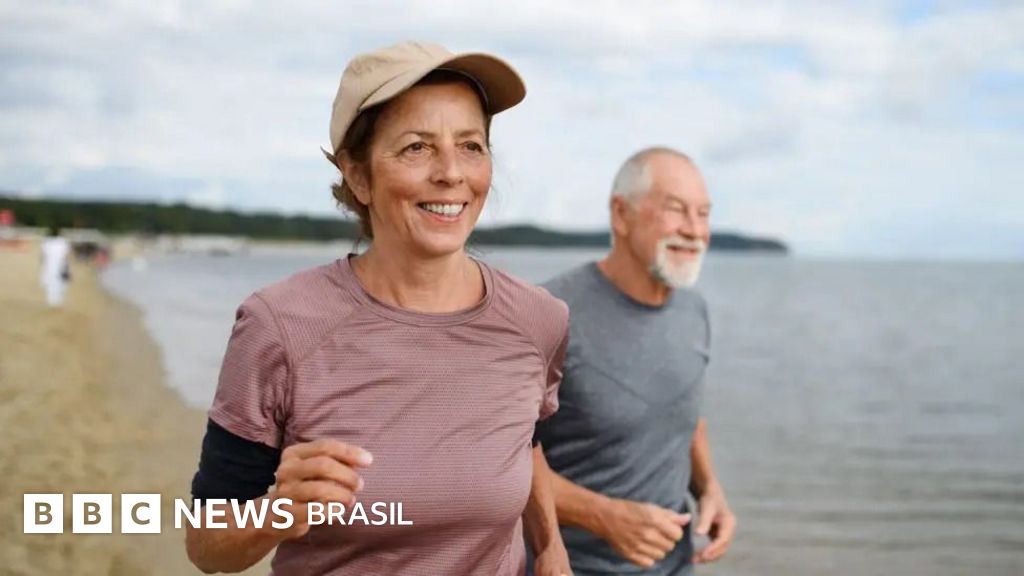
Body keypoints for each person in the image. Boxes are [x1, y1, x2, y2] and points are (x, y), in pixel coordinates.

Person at [186, 41, 572, 575]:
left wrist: (550, 548)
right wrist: (277, 514)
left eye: (471, 145)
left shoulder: (539, 320)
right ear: (358, 175)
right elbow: (206, 546)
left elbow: (523, 442)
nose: (451, 173)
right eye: (417, 147)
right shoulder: (278, 326)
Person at [534, 148, 736, 575]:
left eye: (703, 214)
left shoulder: (694, 311)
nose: (695, 230)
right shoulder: (548, 315)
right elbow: (496, 461)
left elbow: (684, 414)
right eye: (677, 210)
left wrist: (710, 489)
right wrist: (601, 515)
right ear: (620, 215)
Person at [39, 226, 70, 307]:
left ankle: (52, 301)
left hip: (50, 265)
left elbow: (43, 256)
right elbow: (66, 256)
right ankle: (57, 301)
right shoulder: (63, 242)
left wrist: (43, 265)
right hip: (60, 265)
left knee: (51, 283)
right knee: (60, 283)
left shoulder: (46, 242)